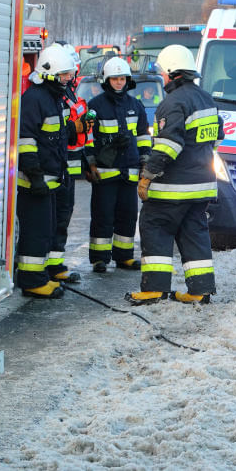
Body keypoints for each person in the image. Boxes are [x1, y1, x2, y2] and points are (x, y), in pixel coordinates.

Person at [125, 44, 222, 306]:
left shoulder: (173, 103)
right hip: (202, 186)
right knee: (194, 234)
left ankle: (154, 289)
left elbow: (170, 145)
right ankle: (200, 290)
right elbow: (217, 137)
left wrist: (147, 175)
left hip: (172, 188)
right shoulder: (206, 99)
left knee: (154, 226)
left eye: (162, 72)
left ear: (171, 72)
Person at [15, 44, 75, 298]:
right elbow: (26, 141)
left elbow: (56, 139)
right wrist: (35, 176)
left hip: (48, 182)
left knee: (46, 230)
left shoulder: (52, 98)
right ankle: (32, 281)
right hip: (34, 183)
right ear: (49, 74)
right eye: (63, 76)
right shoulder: (34, 100)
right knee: (36, 232)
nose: (67, 80)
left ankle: (39, 277)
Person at [85, 57, 151, 273]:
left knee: (128, 215)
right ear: (107, 80)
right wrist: (91, 164)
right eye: (114, 79)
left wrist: (144, 163)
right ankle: (99, 258)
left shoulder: (136, 105)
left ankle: (124, 257)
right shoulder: (95, 106)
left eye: (122, 78)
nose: (119, 83)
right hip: (104, 174)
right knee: (103, 215)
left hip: (129, 172)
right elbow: (88, 139)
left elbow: (143, 137)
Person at [45, 42, 93, 283]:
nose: (70, 76)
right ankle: (47, 267)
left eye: (72, 72)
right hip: (56, 165)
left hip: (69, 165)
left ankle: (55, 265)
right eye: (68, 72)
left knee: (63, 216)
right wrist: (72, 127)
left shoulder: (69, 91)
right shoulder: (53, 93)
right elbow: (51, 128)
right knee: (53, 217)